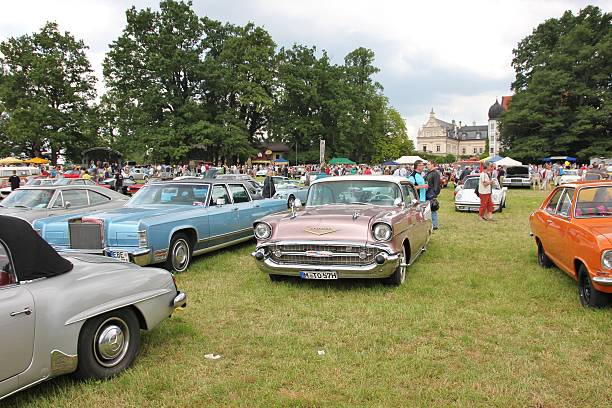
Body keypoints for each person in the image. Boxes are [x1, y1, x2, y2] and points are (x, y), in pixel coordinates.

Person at [425, 162, 441, 230]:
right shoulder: (428, 173)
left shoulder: (435, 173)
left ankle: (434, 225)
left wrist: (434, 194)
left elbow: (437, 185)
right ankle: (430, 224)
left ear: (432, 165)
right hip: (427, 193)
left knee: (433, 208)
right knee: (428, 209)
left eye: (428, 164)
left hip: (431, 193)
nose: (427, 165)